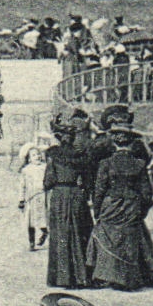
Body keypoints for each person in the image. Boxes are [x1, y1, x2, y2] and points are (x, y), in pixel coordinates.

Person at [88, 127, 153, 291]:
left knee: (108, 236)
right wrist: (141, 210)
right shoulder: (139, 164)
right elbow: (146, 192)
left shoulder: (105, 163)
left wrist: (97, 211)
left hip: (110, 206)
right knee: (131, 238)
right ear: (132, 143)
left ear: (114, 143)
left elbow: (99, 190)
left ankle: (109, 276)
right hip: (131, 206)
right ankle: (129, 277)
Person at [44, 111, 93, 289]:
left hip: (59, 195)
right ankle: (83, 277)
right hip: (76, 195)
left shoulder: (53, 155)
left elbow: (48, 181)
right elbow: (87, 181)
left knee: (61, 234)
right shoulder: (81, 155)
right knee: (80, 233)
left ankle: (62, 278)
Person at [16, 136, 50, 251]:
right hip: (31, 198)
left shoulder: (45, 168)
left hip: (43, 196)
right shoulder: (26, 170)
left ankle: (45, 232)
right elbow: (22, 186)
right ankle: (31, 243)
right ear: (29, 158)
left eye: (39, 154)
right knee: (31, 222)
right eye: (34, 155)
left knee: (43, 219)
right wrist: (21, 200)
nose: (37, 157)